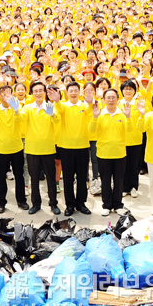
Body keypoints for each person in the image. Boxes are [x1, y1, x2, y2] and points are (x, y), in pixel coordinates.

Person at [89, 87, 130, 215]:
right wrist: (95, 117)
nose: (111, 100)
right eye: (108, 98)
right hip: (103, 153)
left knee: (119, 181)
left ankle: (118, 205)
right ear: (104, 100)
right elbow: (91, 130)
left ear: (118, 99)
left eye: (113, 97)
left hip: (119, 153)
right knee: (105, 181)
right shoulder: (99, 114)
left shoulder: (122, 114)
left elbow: (129, 130)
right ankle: (106, 205)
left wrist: (128, 117)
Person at [55, 82, 93, 216]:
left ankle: (81, 203)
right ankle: (70, 205)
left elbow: (91, 112)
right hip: (66, 147)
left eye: (76, 90)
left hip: (82, 146)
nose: (73, 93)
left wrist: (90, 102)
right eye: (71, 90)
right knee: (68, 178)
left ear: (79, 91)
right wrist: (56, 100)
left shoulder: (84, 105)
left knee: (82, 177)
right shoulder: (63, 105)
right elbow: (58, 110)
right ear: (67, 92)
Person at [23, 82, 60, 214]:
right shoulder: (27, 108)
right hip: (32, 148)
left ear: (45, 92)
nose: (38, 93)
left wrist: (52, 115)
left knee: (51, 177)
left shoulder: (50, 106)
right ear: (32, 93)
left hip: (48, 148)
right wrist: (16, 110)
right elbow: (20, 118)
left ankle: (53, 203)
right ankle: (36, 204)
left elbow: (57, 121)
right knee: (34, 178)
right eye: (35, 91)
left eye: (40, 90)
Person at [0, 84, 26, 214]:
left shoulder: (17, 107)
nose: (5, 97)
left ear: (13, 95)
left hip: (16, 147)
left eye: (8, 94)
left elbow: (20, 119)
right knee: (0, 177)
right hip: (1, 149)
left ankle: (21, 200)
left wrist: (15, 109)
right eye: (3, 94)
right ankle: (1, 202)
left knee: (19, 176)